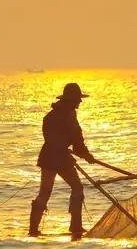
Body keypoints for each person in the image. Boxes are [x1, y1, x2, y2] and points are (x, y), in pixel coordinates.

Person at [29, 83, 95, 240]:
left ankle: (33, 230)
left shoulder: (50, 115)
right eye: (78, 100)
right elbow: (77, 141)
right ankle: (76, 227)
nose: (80, 103)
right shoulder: (70, 115)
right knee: (77, 187)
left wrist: (78, 152)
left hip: (48, 156)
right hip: (59, 158)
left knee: (44, 193)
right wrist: (87, 156)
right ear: (71, 100)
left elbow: (52, 138)